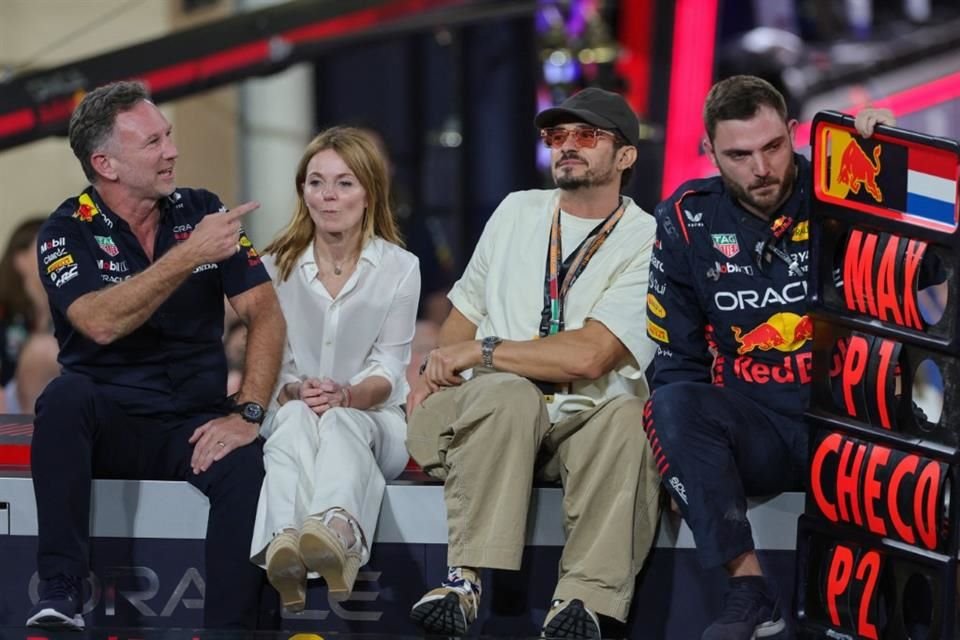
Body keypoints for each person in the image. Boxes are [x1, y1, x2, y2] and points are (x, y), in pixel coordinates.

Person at [26, 81, 285, 631]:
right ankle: (61, 592)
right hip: (108, 421)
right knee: (63, 397)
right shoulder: (64, 230)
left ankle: (229, 631)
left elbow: (264, 313)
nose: (171, 151)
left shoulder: (203, 211)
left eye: (167, 135)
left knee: (250, 463)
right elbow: (99, 322)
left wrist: (249, 412)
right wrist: (189, 256)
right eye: (152, 143)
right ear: (107, 164)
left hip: (192, 421)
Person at [643, 75, 893, 639]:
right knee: (673, 403)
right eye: (739, 154)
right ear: (710, 152)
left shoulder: (850, 186)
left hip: (850, 424)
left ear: (794, 134)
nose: (761, 168)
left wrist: (893, 163)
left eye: (773, 147)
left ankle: (869, 609)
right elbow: (676, 358)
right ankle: (749, 590)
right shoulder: (685, 218)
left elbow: (929, 269)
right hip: (753, 431)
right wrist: (680, 466)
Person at [405, 87, 661, 639]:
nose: (567, 147)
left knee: (627, 416)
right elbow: (463, 317)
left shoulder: (647, 239)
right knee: (509, 393)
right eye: (557, 136)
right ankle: (463, 580)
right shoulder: (517, 210)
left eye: (586, 136)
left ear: (625, 156)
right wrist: (439, 369)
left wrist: (485, 352)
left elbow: (593, 354)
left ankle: (582, 602)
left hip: (578, 424)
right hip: (489, 418)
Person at [248, 126, 419, 610]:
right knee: (298, 421)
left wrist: (345, 396)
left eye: (344, 183)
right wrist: (297, 392)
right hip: (292, 414)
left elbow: (390, 369)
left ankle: (332, 531)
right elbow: (272, 366)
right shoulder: (275, 265)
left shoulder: (400, 267)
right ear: (302, 190)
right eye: (316, 182)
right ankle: (291, 541)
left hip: (374, 421)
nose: (328, 196)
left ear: (369, 192)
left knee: (340, 422)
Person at [0, 217, 60, 413]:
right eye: (45, 246)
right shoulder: (5, 312)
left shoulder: (69, 299)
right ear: (20, 259)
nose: (56, 255)